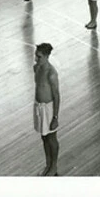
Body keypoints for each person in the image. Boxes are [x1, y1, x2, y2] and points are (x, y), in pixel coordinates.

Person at [34, 42, 60, 176]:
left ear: (47, 56)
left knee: (51, 138)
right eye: (36, 56)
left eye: (39, 57)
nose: (36, 59)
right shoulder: (36, 68)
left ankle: (54, 166)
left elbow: (56, 96)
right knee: (44, 137)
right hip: (39, 107)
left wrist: (55, 117)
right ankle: (48, 164)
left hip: (49, 109)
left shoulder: (52, 73)